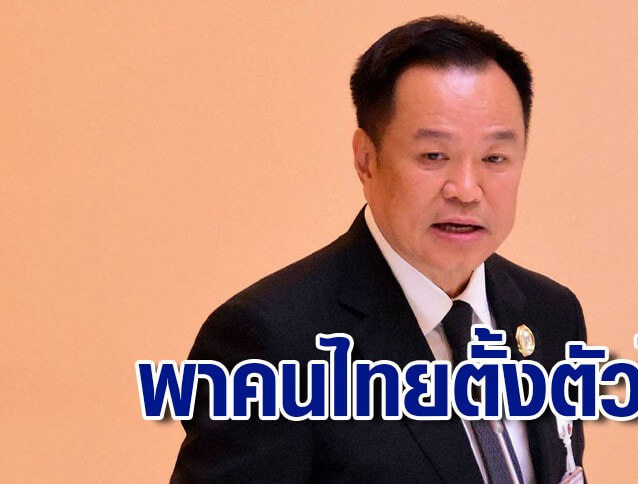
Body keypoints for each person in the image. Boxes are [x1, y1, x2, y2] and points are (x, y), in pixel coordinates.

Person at [171, 16, 587, 484]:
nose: (467, 190)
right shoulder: (270, 343)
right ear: (366, 160)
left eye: (495, 158)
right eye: (434, 156)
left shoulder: (551, 313)